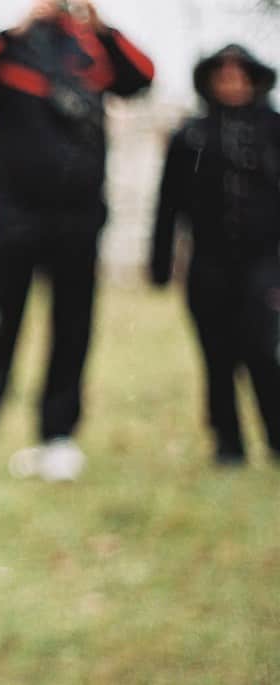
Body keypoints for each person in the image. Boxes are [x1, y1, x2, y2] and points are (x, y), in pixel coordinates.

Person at [0, 0, 155, 480]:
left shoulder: (95, 48)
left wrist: (101, 25)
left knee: (72, 329)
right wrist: (21, 26)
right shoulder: (11, 48)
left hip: (80, 219)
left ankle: (58, 438)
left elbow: (142, 77)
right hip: (16, 217)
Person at [149, 44, 280, 467]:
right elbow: (168, 205)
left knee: (264, 351)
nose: (231, 83)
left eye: (239, 75)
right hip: (208, 264)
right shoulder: (191, 135)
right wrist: (160, 263)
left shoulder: (275, 129)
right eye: (222, 76)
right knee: (217, 355)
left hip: (265, 263)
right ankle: (228, 445)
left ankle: (277, 438)